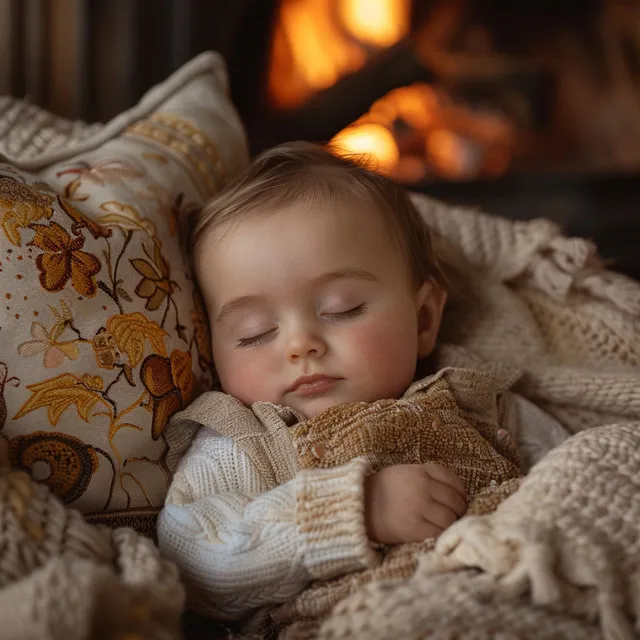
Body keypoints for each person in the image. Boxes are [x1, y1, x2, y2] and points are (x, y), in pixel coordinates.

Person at [157, 142, 567, 622]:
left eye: (343, 309)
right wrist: (351, 512)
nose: (300, 344)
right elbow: (194, 558)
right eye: (255, 334)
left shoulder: (474, 398)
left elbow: (572, 472)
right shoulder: (245, 444)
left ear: (423, 320)